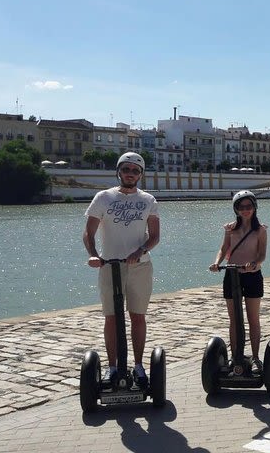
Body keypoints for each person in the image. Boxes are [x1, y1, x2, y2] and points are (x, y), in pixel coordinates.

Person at [83, 152, 160, 388]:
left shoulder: (148, 200)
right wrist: (94, 255)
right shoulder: (103, 198)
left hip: (139, 267)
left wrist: (141, 251)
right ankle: (113, 367)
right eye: (126, 169)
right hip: (110, 266)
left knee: (138, 316)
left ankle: (138, 365)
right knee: (112, 318)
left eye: (135, 171)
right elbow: (88, 233)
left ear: (141, 174)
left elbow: (155, 236)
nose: (130, 174)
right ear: (119, 171)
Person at [209, 190, 267, 374]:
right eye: (241, 207)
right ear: (236, 209)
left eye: (249, 206)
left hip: (252, 275)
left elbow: (262, 254)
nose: (245, 210)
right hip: (232, 274)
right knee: (234, 319)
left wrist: (255, 263)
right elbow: (223, 248)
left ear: (254, 207)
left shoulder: (261, 230)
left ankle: (256, 357)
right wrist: (217, 263)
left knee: (252, 319)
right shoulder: (230, 228)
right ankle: (235, 358)